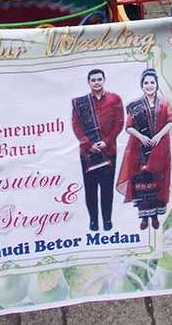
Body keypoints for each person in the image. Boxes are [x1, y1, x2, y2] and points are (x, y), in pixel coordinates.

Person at [117, 70, 172, 230]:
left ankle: (155, 216)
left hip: (160, 148)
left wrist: (159, 135)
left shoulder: (165, 103)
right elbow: (128, 127)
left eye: (152, 82)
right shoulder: (135, 106)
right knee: (142, 182)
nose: (149, 86)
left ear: (156, 85)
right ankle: (144, 217)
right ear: (142, 85)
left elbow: (171, 122)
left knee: (157, 181)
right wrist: (141, 137)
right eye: (146, 83)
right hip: (140, 149)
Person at [70, 69, 124, 232]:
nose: (96, 82)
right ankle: (93, 222)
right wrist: (88, 144)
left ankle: (107, 221)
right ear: (88, 83)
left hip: (109, 151)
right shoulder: (81, 104)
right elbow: (76, 125)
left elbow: (120, 122)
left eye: (99, 79)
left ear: (104, 80)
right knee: (91, 189)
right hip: (87, 153)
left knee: (107, 189)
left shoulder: (115, 99)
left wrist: (106, 142)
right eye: (93, 80)